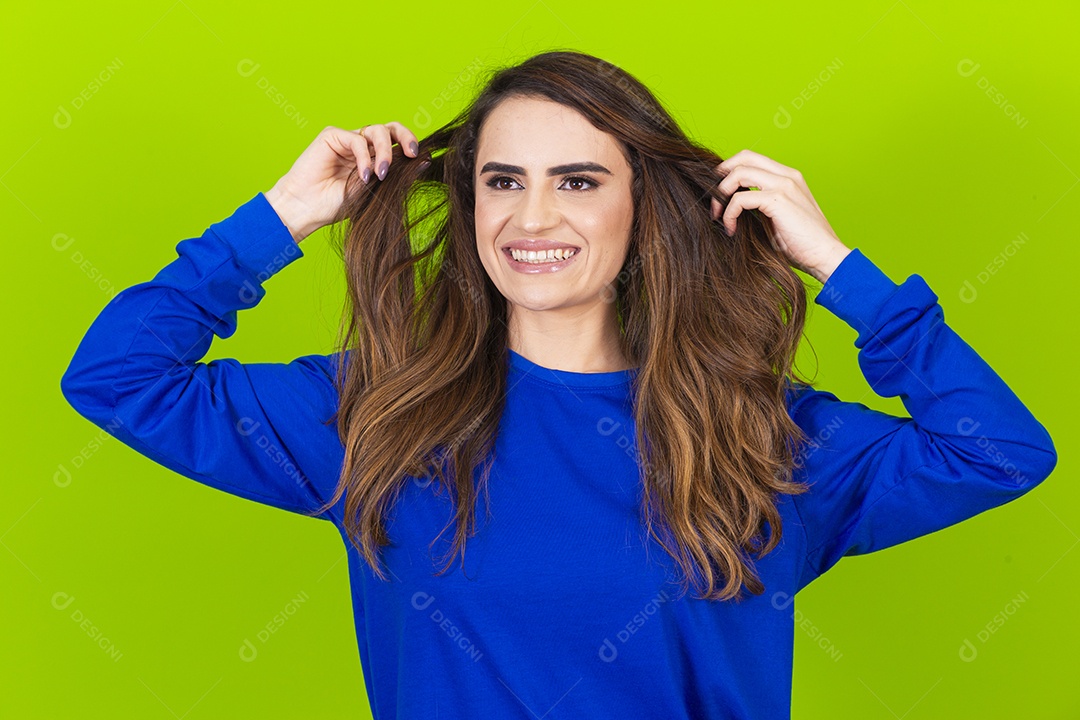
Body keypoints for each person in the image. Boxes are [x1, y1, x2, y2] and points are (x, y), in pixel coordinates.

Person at [60, 50, 1057, 719]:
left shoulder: (764, 435)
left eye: (578, 180)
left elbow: (1001, 450)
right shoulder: (379, 416)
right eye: (504, 180)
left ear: (644, 207)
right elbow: (116, 374)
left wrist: (842, 271)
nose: (532, 217)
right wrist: (279, 216)